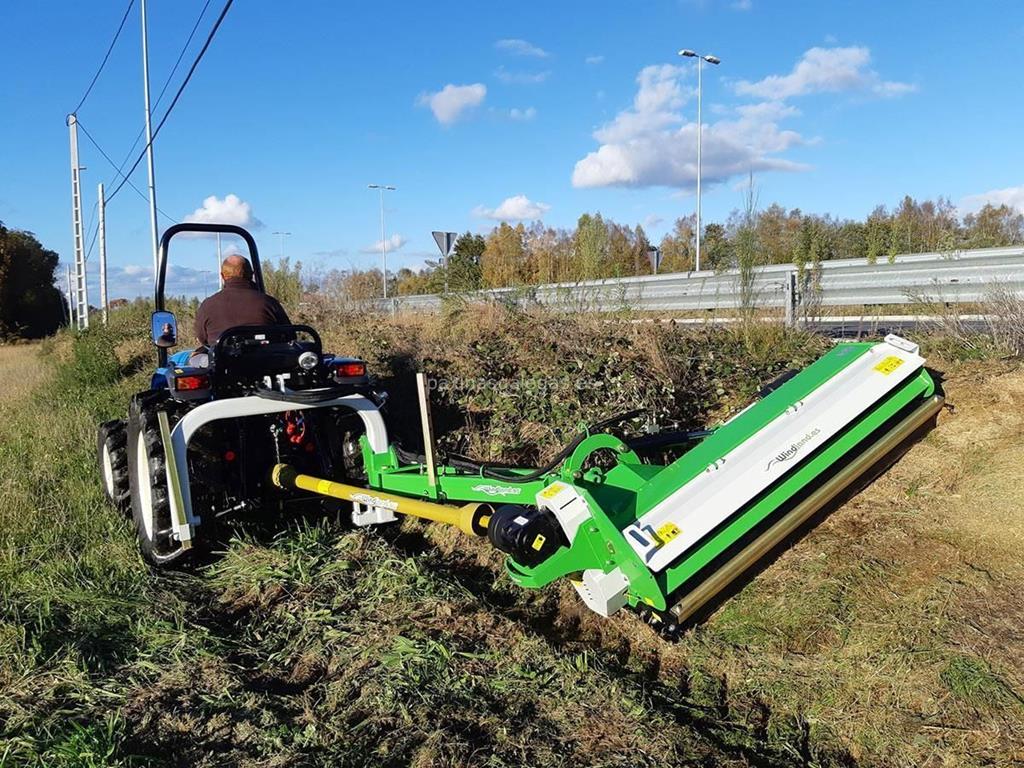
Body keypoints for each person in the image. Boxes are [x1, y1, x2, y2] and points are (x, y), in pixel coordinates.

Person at [194, 254, 291, 348]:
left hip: (223, 362)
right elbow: (290, 335)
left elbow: (202, 338)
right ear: (251, 275)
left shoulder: (208, 306)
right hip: (265, 362)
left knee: (195, 357)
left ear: (222, 276)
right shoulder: (269, 303)